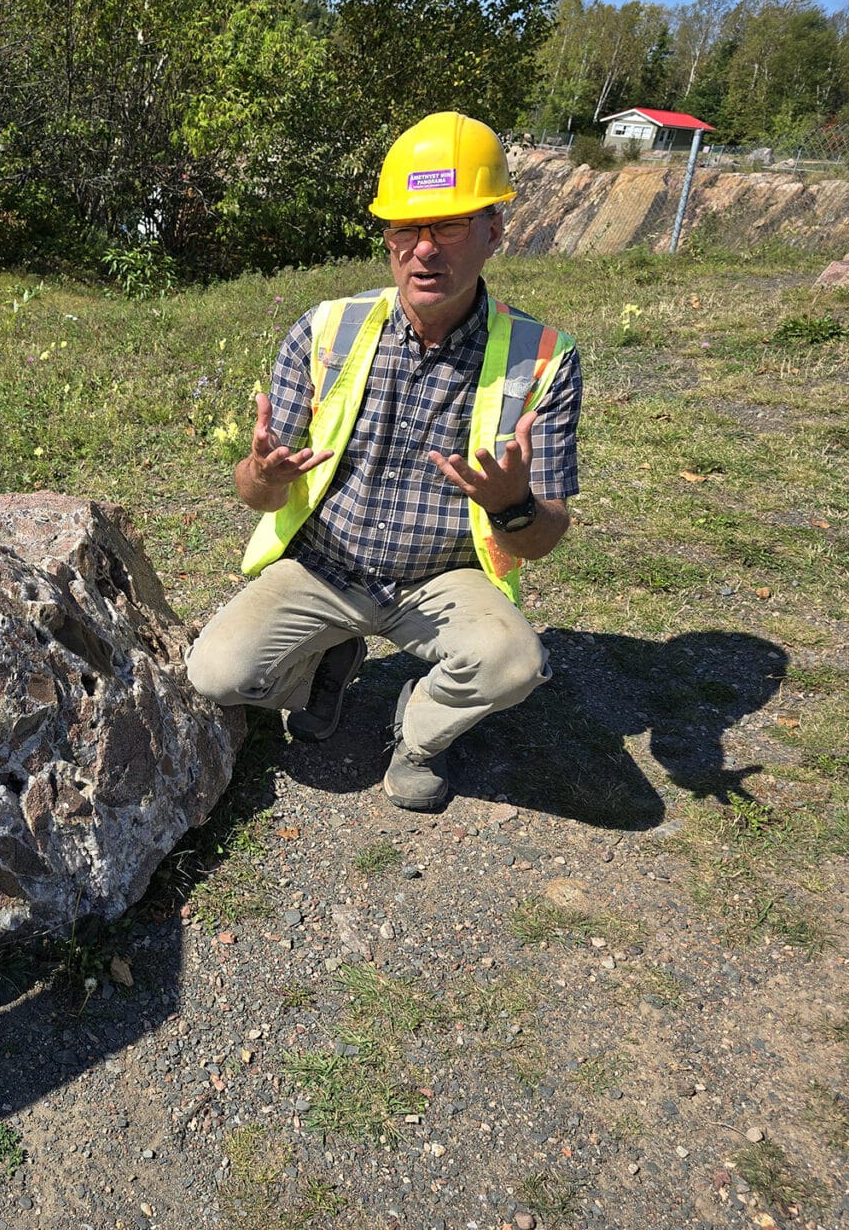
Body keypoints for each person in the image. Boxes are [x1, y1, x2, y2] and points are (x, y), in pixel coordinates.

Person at [186, 111, 582, 815]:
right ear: (386, 237)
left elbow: (541, 538)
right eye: (405, 229)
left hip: (443, 578)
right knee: (216, 673)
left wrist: (512, 503)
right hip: (323, 564)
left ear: (495, 229)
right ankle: (324, 670)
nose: (423, 251)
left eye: (450, 226)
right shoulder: (325, 330)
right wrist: (264, 477)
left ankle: (420, 733)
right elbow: (255, 495)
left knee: (513, 664)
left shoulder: (543, 357)